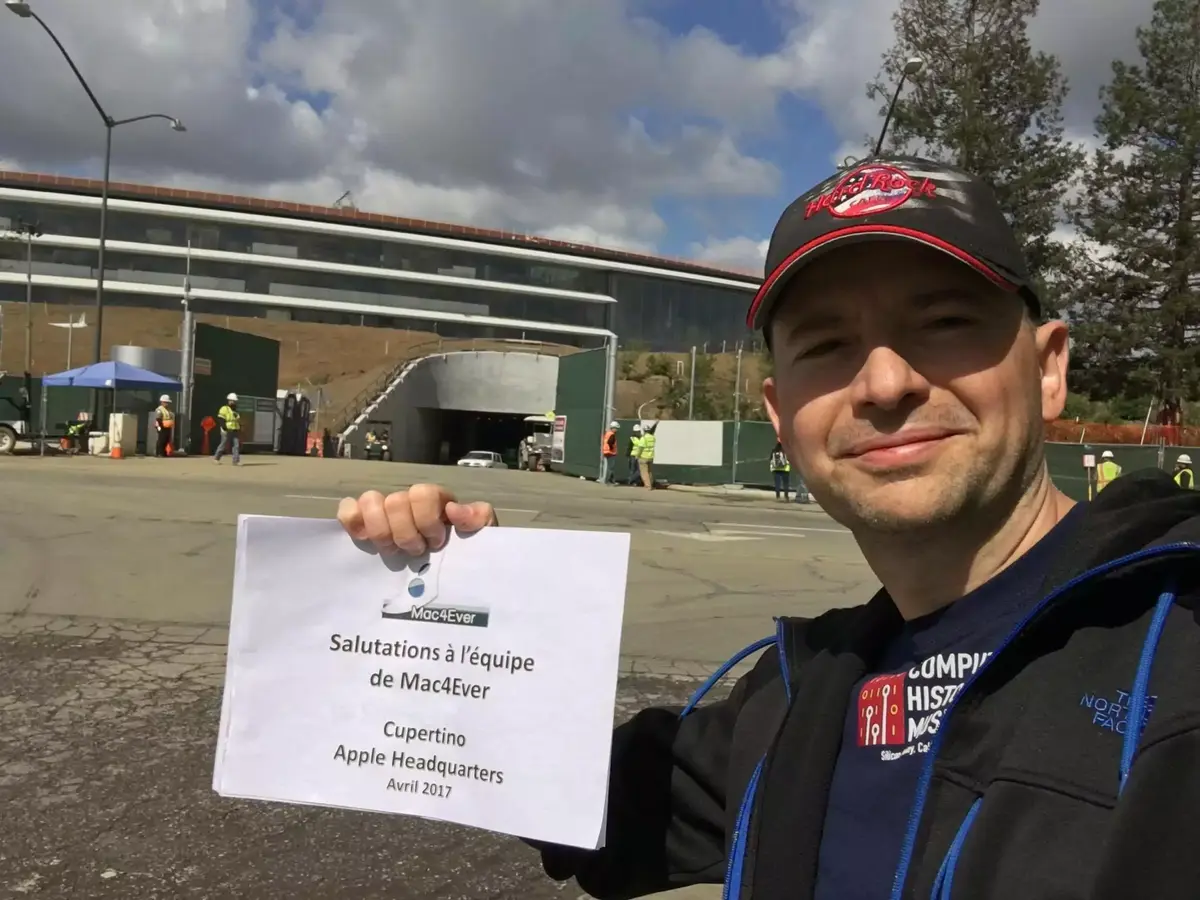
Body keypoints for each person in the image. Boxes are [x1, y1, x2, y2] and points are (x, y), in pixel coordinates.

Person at [336, 156, 1200, 899]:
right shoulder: (798, 693)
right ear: (783, 418)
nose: (885, 382)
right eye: (828, 344)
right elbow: (575, 797)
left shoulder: (1178, 639)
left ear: (1049, 369)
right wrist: (444, 603)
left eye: (943, 324)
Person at [213, 392, 241, 465]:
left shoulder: (235, 410)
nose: (234, 402)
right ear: (229, 400)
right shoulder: (224, 408)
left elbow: (237, 420)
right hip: (226, 430)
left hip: (235, 430)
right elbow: (221, 418)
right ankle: (216, 458)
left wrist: (239, 427)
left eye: (235, 401)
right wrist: (224, 427)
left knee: (236, 445)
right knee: (223, 444)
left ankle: (236, 461)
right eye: (232, 401)